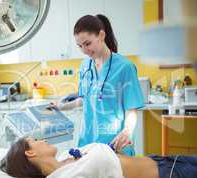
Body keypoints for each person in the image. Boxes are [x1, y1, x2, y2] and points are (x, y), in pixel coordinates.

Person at [49, 14, 145, 155]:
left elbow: (131, 109)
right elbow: (84, 100)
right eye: (80, 46)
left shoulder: (125, 67)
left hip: (114, 143)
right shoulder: (84, 66)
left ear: (101, 35)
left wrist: (127, 131)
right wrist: (61, 107)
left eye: (87, 44)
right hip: (88, 142)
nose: (84, 50)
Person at [0, 137, 197, 178]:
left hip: (167, 162)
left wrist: (113, 150)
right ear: (30, 153)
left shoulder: (65, 159)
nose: (42, 140)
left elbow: (103, 171)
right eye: (35, 141)